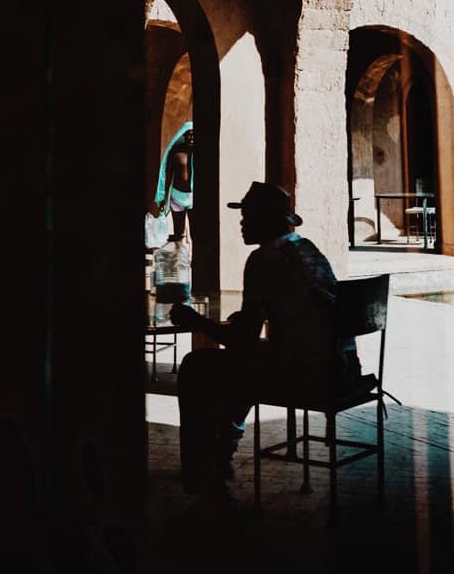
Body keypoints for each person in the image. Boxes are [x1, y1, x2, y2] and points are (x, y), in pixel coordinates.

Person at [169, 181, 362, 505]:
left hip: (306, 375)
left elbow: (243, 340)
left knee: (196, 366)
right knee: (241, 367)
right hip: (341, 369)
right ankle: (219, 458)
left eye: (248, 216)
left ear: (268, 221)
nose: (242, 223)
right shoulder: (308, 250)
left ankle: (205, 471)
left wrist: (195, 322)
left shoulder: (262, 261)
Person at [155, 121, 194, 240]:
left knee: (196, 232)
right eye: (189, 134)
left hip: (193, 198)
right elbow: (167, 176)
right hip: (176, 197)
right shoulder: (176, 153)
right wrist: (163, 198)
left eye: (194, 134)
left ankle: (194, 258)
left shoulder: (201, 153)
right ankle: (180, 257)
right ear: (183, 135)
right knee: (178, 232)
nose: (191, 137)